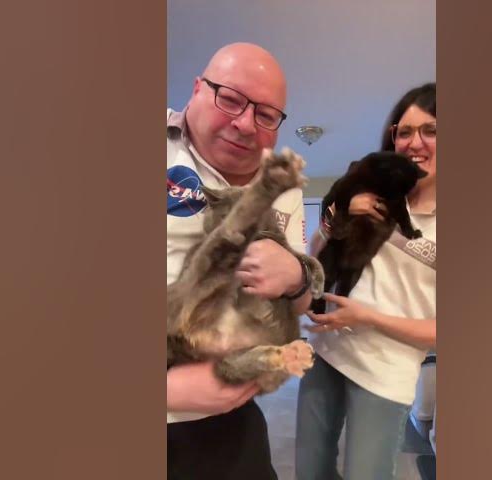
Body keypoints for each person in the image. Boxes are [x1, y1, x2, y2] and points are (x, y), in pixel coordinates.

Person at [167, 42, 313, 480]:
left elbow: (301, 303)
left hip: (233, 418)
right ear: (197, 88)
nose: (246, 124)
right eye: (230, 98)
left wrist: (296, 277)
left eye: (266, 114)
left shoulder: (287, 188)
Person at [295, 83, 437, 480]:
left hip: (385, 373)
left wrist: (368, 318)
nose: (414, 142)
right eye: (404, 132)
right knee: (310, 472)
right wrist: (339, 214)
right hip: (326, 352)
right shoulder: (374, 187)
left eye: (431, 130)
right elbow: (317, 252)